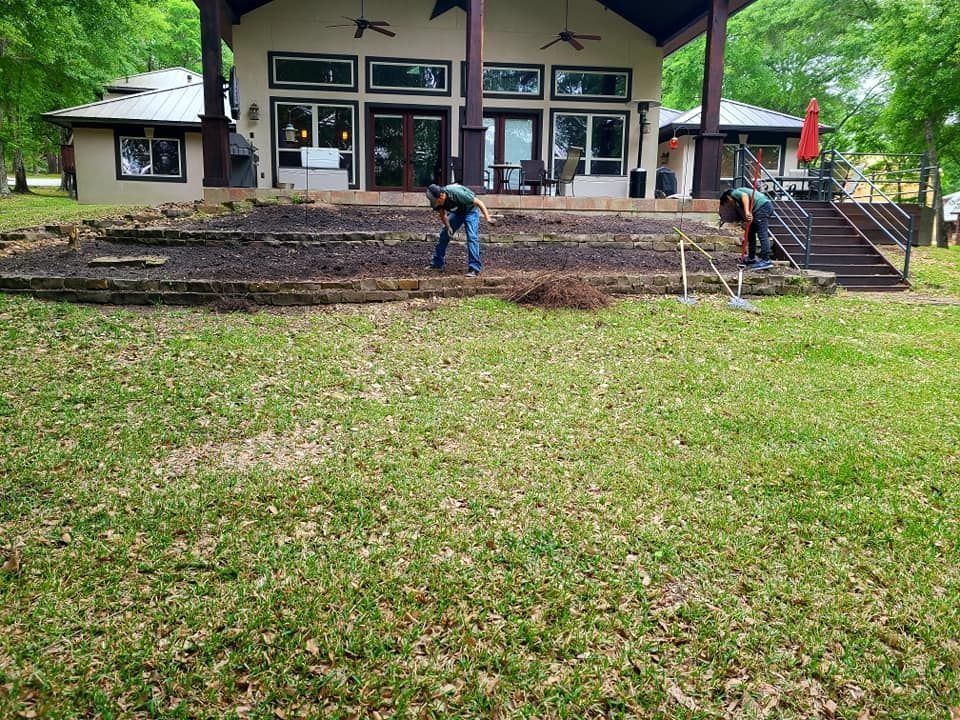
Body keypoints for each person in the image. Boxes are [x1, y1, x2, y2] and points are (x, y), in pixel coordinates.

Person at [425, 183, 495, 277]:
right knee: (444, 235)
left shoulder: (457, 193)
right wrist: (448, 227)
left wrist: (488, 218)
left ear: (441, 196)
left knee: (472, 237)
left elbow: (479, 203)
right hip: (457, 213)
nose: (435, 204)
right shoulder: (436, 201)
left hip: (471, 210)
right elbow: (442, 214)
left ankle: (474, 268)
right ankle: (437, 263)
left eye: (436, 201)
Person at [720, 187, 774, 270]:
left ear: (728, 198)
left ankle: (765, 260)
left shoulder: (734, 193)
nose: (731, 204)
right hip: (760, 208)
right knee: (750, 233)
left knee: (762, 234)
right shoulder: (738, 201)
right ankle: (751, 258)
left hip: (763, 207)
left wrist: (747, 212)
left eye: (728, 203)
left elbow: (744, 196)